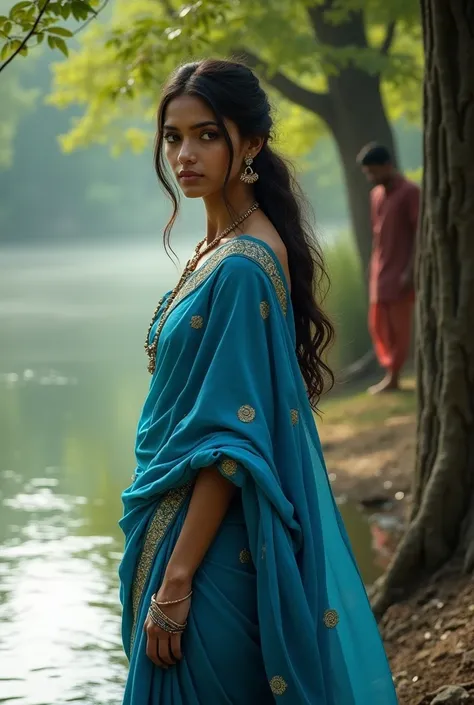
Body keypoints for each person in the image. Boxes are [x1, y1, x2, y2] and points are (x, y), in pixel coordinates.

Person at [119, 59, 398, 704]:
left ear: (251, 143)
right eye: (173, 136)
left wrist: (179, 579)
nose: (185, 153)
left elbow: (230, 442)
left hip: (211, 552)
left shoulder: (243, 267)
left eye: (207, 135)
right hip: (180, 529)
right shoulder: (218, 248)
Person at [357, 143, 420, 395]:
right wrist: (373, 265)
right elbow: (376, 234)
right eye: (368, 173)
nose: (371, 178)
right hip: (381, 269)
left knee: (398, 326)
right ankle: (389, 372)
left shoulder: (410, 192)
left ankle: (394, 376)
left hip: (400, 271)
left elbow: (419, 233)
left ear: (387, 165)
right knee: (378, 324)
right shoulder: (377, 195)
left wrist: (411, 269)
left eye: (373, 171)